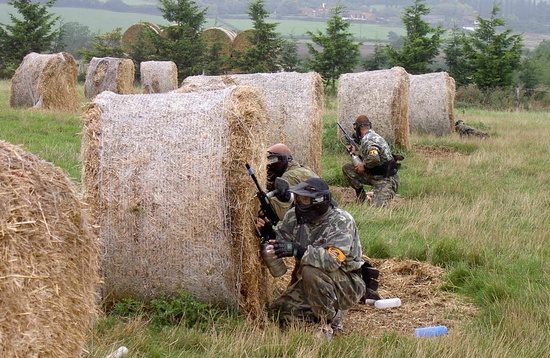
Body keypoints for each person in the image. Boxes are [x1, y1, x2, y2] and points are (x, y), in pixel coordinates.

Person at [257, 178, 367, 338]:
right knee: (278, 313)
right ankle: (316, 313)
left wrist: (297, 250)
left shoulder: (341, 222)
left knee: (311, 270)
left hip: (346, 282)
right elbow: (284, 240)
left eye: (305, 199)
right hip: (311, 283)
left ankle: (328, 321)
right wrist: (270, 233)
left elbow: (331, 261)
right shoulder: (293, 217)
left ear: (320, 201)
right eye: (299, 198)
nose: (300, 203)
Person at [341, 115, 401, 207]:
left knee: (376, 208)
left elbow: (374, 157)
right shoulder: (370, 137)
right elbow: (371, 157)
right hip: (374, 174)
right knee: (348, 168)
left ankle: (377, 194)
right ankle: (361, 197)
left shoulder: (368, 139)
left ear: (357, 128)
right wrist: (355, 154)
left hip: (386, 179)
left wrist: (363, 165)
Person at [265, 143, 319, 220]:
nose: (269, 165)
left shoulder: (289, 176)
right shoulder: (301, 169)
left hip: (313, 217)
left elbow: (278, 211)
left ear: (284, 159)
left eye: (273, 160)